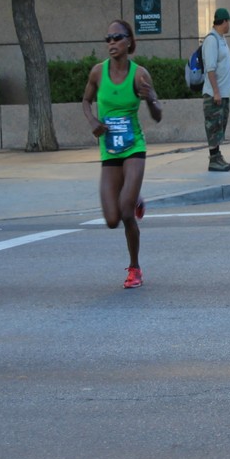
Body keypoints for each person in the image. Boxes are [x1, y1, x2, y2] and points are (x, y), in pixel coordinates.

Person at [81, 19, 163, 289]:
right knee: (111, 220)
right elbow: (86, 101)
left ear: (129, 41)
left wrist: (150, 99)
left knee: (127, 212)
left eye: (117, 38)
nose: (111, 43)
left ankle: (135, 268)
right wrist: (93, 121)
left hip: (134, 147)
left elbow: (158, 115)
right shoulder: (97, 72)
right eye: (108, 39)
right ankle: (134, 193)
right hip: (109, 149)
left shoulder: (139, 75)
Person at [201, 7, 230, 172]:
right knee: (214, 127)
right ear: (224, 21)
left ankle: (217, 156)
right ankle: (213, 160)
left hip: (223, 93)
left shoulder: (221, 39)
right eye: (229, 21)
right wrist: (216, 92)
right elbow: (210, 68)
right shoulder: (211, 40)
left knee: (220, 126)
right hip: (214, 94)